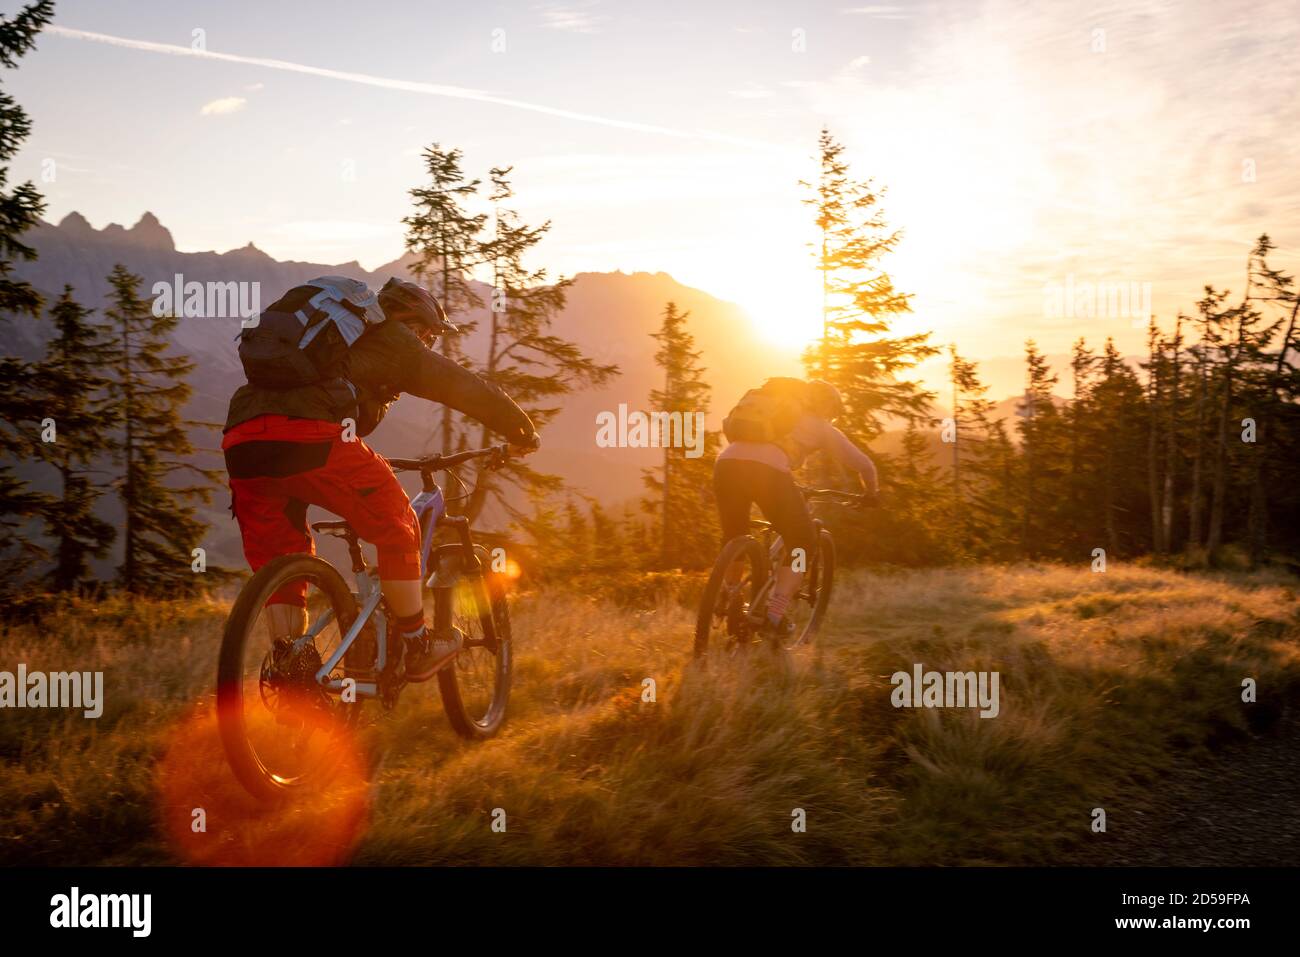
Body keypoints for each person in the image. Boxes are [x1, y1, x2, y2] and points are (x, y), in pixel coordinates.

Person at [223, 276, 539, 681]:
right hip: (312, 438)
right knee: (398, 522)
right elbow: (459, 385)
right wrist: (520, 430)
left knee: (282, 558)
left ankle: (292, 667)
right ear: (409, 320)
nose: (427, 342)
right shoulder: (393, 338)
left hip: (243, 441)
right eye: (426, 333)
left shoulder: (330, 344)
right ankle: (417, 643)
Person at [714, 378, 878, 635]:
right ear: (826, 408)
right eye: (832, 415)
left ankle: (729, 594)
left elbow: (731, 428)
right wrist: (871, 493)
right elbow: (864, 465)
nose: (831, 420)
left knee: (735, 534)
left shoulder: (769, 409)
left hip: (725, 465)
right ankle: (775, 615)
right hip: (768, 471)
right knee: (802, 541)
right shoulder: (821, 427)